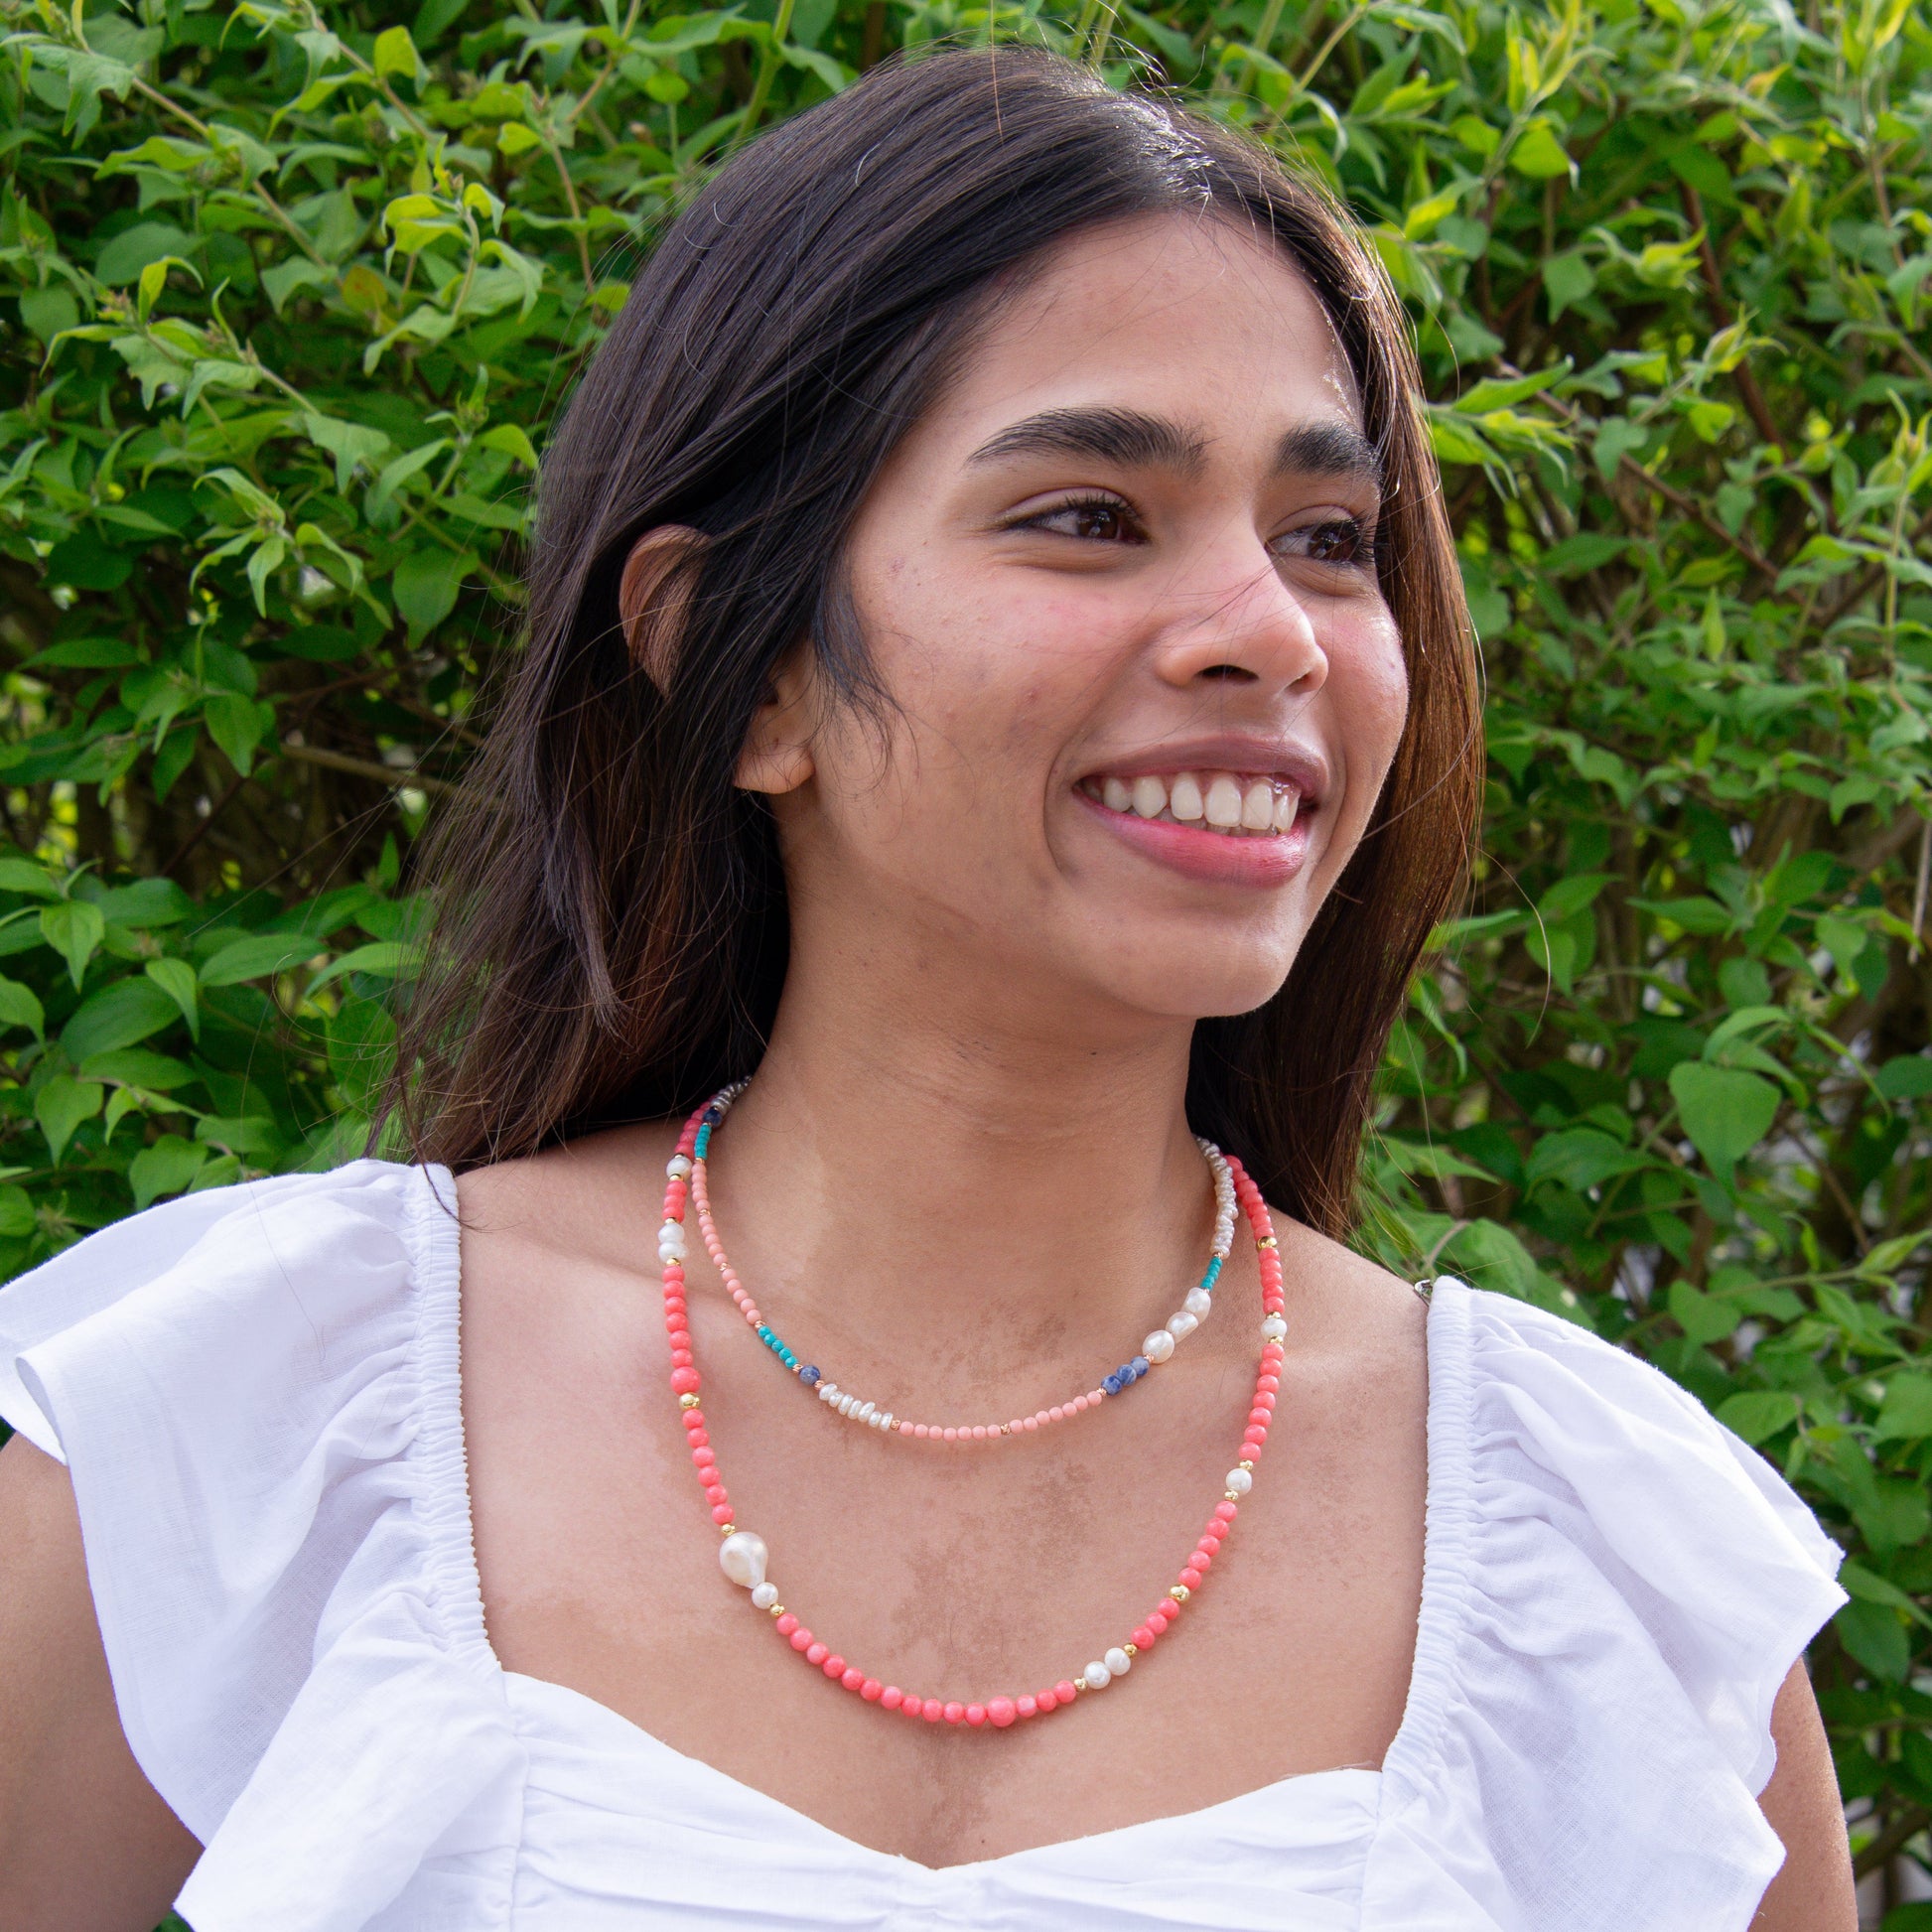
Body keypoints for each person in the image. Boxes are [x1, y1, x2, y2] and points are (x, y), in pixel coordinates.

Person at [0, 46, 1857, 1932]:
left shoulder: (1606, 1572)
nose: (1270, 634)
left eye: (1325, 540)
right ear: (745, 671)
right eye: (1087, 515)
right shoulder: (270, 1417)